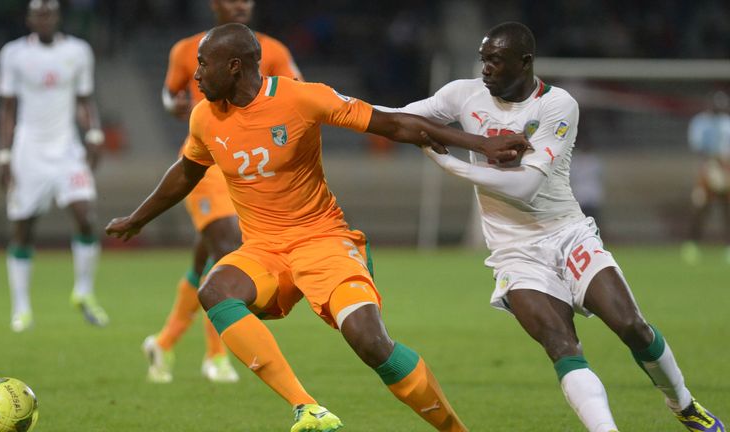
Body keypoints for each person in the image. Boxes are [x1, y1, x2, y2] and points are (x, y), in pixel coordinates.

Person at [107, 23, 527, 432]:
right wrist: (137, 219)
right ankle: (306, 408)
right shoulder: (204, 118)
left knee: (371, 343)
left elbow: (394, 123)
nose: (195, 76)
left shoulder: (301, 98)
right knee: (215, 289)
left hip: (323, 241)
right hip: (264, 251)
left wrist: (482, 144)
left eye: (203, 65)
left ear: (234, 66)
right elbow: (186, 171)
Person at [379, 22, 726, 432]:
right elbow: (394, 117)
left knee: (631, 326)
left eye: (494, 60)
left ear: (524, 62)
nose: (485, 68)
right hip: (514, 251)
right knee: (561, 344)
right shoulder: (463, 95)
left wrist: (447, 161)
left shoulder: (557, 105)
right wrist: (329, 103)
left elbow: (525, 186)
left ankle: (683, 404)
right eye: (483, 59)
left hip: (567, 234)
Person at [142, 0, 303, 385]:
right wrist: (174, 106)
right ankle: (216, 357)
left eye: (246, 0)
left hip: (252, 165)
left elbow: (297, 90)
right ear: (214, 5)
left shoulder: (273, 50)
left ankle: (163, 343)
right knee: (229, 250)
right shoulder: (187, 50)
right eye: (232, 0)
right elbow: (169, 94)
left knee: (205, 260)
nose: (241, 5)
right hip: (208, 164)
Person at [0, 0, 107, 333]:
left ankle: (84, 292)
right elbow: (7, 109)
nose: (44, 18)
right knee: (23, 228)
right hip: (28, 150)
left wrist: (95, 133)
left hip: (67, 149)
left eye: (50, 13)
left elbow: (85, 100)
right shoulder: (13, 54)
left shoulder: (78, 51)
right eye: (38, 13)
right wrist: (3, 155)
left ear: (58, 17)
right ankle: (22, 308)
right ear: (29, 18)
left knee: (86, 216)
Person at [682, 90, 730, 265]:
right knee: (701, 206)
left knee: (727, 207)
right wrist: (711, 165)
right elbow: (697, 146)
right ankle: (692, 244)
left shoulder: (727, 123)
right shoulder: (701, 122)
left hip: (726, 169)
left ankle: (728, 246)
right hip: (708, 168)